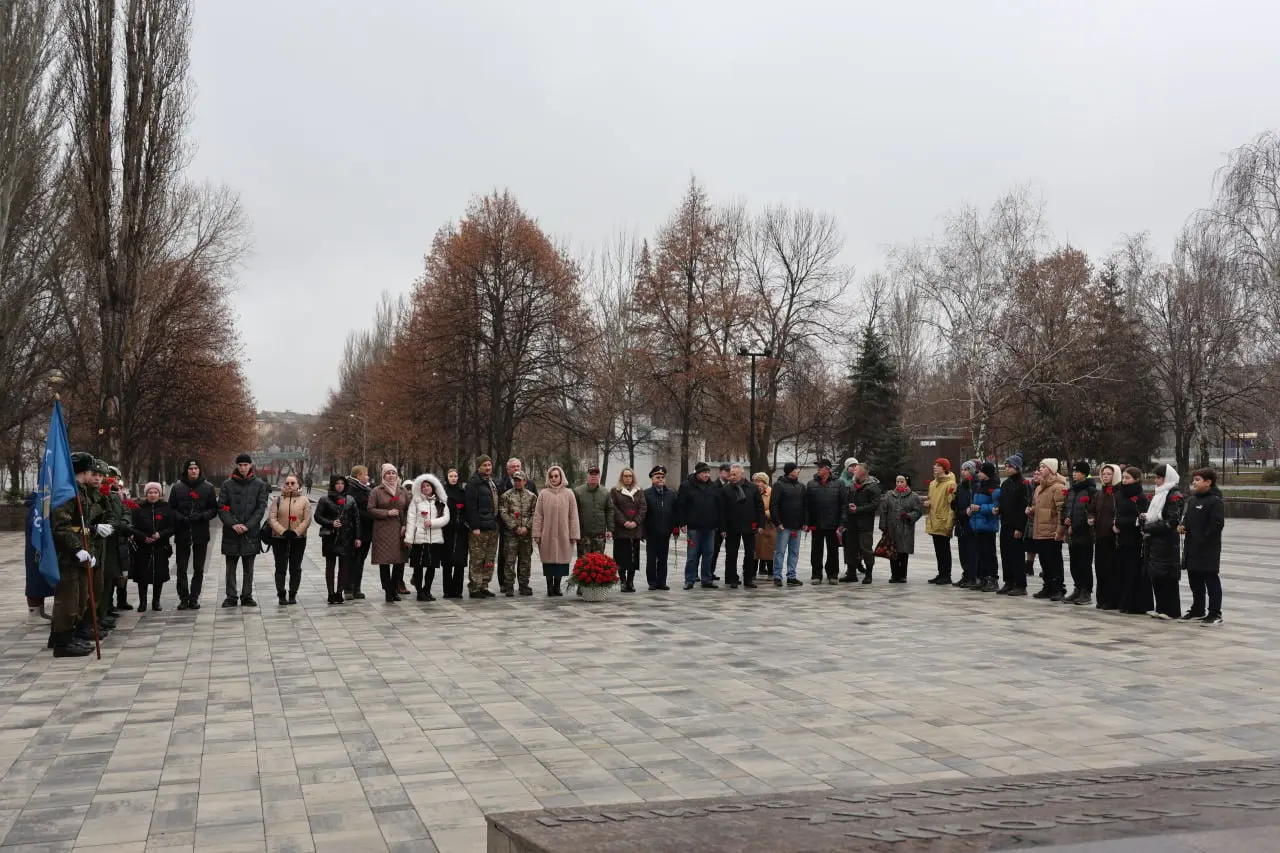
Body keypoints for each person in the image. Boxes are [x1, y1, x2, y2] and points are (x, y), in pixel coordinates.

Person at [48, 452, 103, 657]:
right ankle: (61, 642)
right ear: (86, 471)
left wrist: (88, 550)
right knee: (68, 599)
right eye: (92, 471)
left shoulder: (79, 490)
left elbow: (82, 526)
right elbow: (61, 526)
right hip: (68, 555)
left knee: (79, 597)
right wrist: (77, 549)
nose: (95, 475)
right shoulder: (68, 491)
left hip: (78, 553)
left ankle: (68, 636)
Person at [218, 454, 269, 608]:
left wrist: (248, 525)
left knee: (249, 567)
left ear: (250, 466)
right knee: (230, 567)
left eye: (245, 465)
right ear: (237, 466)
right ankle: (231, 597)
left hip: (250, 532)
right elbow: (222, 507)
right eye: (240, 465)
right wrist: (233, 524)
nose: (242, 468)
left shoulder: (259, 484)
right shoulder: (227, 484)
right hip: (231, 532)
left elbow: (261, 509)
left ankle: (247, 596)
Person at [168, 458, 217, 610]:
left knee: (199, 568)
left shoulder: (208, 487)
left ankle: (194, 597)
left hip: (200, 533)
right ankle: (183, 598)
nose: (193, 471)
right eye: (190, 468)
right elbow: (171, 508)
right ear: (186, 470)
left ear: (200, 470)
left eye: (196, 468)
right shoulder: (177, 487)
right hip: (182, 533)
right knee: (181, 568)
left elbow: (213, 509)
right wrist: (180, 518)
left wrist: (202, 516)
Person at [1180, 468, 1224, 625]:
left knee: (1211, 580)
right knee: (1194, 580)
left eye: (1197, 479)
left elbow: (1216, 525)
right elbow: (1187, 519)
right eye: (1194, 479)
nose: (1194, 482)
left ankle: (1215, 613)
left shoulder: (1215, 501)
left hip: (1207, 549)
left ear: (1208, 482)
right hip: (1191, 547)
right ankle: (1198, 609)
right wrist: (1183, 526)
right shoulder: (1193, 500)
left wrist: (1203, 539)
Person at [1142, 463, 1183, 620]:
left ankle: (1171, 609)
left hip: (1167, 543)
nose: (1156, 481)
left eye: (1159, 478)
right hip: (1155, 542)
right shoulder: (1160, 494)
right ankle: (1160, 607)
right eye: (1156, 478)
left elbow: (1171, 521)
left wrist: (1149, 527)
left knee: (1167, 577)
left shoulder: (1174, 496)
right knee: (1156, 575)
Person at [533, 465, 579, 596]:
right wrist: (537, 533)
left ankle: (557, 587)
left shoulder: (569, 493)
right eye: (551, 476)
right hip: (547, 534)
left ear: (561, 477)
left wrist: (574, 533)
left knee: (561, 563)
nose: (553, 478)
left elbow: (573, 515)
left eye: (556, 476)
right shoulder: (543, 494)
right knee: (548, 562)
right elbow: (538, 515)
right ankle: (549, 587)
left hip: (563, 534)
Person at [315, 474, 360, 605]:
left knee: (344, 566)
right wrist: (330, 523)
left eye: (342, 483)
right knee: (330, 566)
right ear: (333, 485)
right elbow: (317, 516)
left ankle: (340, 592)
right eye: (337, 483)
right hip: (330, 537)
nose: (340, 486)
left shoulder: (350, 500)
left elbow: (356, 519)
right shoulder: (325, 499)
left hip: (346, 537)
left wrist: (357, 537)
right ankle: (330, 592)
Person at [130, 483, 176, 612]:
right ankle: (142, 602)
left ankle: (156, 601)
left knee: (159, 575)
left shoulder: (166, 508)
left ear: (159, 494)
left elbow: (172, 527)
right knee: (142, 575)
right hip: (143, 547)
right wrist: (143, 537)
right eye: (150, 492)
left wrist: (160, 534)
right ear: (146, 494)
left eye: (155, 492)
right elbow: (133, 528)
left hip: (161, 547)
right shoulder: (138, 509)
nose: (153, 495)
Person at [717, 464, 764, 589]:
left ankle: (748, 578)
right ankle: (732, 578)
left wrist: (760, 524)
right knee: (731, 553)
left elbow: (759, 507)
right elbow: (722, 511)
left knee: (750, 553)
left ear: (742, 474)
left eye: (734, 474)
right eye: (730, 474)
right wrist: (722, 528)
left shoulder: (753, 488)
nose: (731, 477)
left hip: (750, 525)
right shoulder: (726, 490)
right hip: (732, 526)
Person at [268, 474, 312, 606]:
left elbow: (307, 519)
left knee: (295, 567)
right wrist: (283, 531)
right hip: (279, 538)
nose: (290, 486)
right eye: (287, 483)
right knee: (280, 567)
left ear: (298, 485)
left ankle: (293, 593)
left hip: (298, 538)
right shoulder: (277, 500)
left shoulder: (304, 500)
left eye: (293, 483)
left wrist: (296, 532)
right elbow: (272, 518)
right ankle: (281, 594)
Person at [677, 462, 722, 590]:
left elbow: (718, 507)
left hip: (710, 527)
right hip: (693, 527)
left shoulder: (712, 487)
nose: (707, 475)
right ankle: (689, 580)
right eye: (704, 473)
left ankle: (706, 579)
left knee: (709, 554)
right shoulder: (686, 487)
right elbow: (681, 506)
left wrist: (718, 523)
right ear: (697, 473)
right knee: (692, 555)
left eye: (708, 472)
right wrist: (682, 522)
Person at [406, 472, 450, 601]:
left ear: (433, 487)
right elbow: (411, 519)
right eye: (423, 486)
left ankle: (427, 590)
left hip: (435, 539)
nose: (426, 488)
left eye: (428, 486)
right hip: (419, 539)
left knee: (432, 566)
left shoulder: (440, 501)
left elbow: (446, 518)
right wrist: (409, 538)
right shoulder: (416, 501)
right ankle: (420, 591)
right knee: (418, 566)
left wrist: (432, 523)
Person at [1114, 466, 1151, 615]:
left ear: (1136, 479)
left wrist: (1119, 523)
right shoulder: (1120, 494)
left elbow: (1140, 517)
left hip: (1134, 539)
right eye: (1123, 477)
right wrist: (1114, 523)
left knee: (1133, 571)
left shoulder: (1140, 496)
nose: (1124, 480)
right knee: (1123, 571)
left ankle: (1136, 604)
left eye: (1128, 478)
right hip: (1121, 537)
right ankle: (1124, 601)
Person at [369, 464, 408, 603]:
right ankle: (388, 591)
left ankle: (394, 588)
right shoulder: (376, 491)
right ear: (383, 476)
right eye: (388, 473)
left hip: (399, 530)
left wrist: (404, 525)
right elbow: (371, 509)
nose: (391, 475)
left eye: (393, 473)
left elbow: (408, 509)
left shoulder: (403, 491)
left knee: (399, 561)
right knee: (384, 563)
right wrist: (387, 513)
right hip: (383, 531)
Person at [1029, 458, 1067, 601]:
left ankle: (1058, 588)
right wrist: (1031, 510)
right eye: (1040, 467)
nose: (1040, 470)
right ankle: (1048, 586)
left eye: (1043, 467)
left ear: (1051, 470)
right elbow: (1039, 506)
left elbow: (1060, 510)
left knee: (1054, 561)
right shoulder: (1039, 487)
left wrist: (1060, 530)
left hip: (1051, 531)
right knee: (1044, 561)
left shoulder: (1058, 487)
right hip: (1040, 530)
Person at [464, 456, 501, 597]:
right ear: (478, 467)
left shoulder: (492, 482)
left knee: (489, 558)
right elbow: (471, 507)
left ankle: (484, 584)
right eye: (485, 465)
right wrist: (475, 526)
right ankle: (474, 587)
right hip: (480, 528)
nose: (488, 468)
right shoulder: (474, 483)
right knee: (477, 558)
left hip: (492, 526)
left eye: (489, 465)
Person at [1062, 461, 1098, 605]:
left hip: (1085, 533)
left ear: (1084, 473)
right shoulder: (1072, 491)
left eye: (1077, 472)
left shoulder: (1090, 491)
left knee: (1084, 563)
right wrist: (1065, 520)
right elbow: (1066, 508)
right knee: (1074, 563)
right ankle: (1077, 588)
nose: (1074, 474)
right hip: (1072, 534)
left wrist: (1076, 527)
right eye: (1073, 472)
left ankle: (1086, 591)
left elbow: (1090, 514)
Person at [805, 459, 846, 584]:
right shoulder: (811, 484)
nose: (818, 469)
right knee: (816, 551)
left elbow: (844, 504)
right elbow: (807, 506)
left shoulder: (839, 484)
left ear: (828, 469)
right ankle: (816, 575)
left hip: (833, 523)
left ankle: (832, 574)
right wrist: (807, 522)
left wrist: (842, 522)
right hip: (816, 523)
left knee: (833, 550)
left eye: (821, 467)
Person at [879, 475, 924, 582]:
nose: (899, 484)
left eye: (901, 481)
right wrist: (883, 526)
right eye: (897, 481)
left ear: (906, 483)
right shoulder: (889, 495)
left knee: (903, 552)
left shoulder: (913, 496)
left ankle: (903, 575)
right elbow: (883, 511)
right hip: (892, 528)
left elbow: (918, 511)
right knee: (892, 552)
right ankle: (894, 575)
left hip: (906, 529)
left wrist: (909, 516)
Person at [996, 454, 1030, 596]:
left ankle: (1020, 584)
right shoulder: (1006, 484)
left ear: (1017, 467)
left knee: (1017, 555)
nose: (1007, 469)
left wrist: (1020, 527)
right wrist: (998, 509)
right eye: (1006, 466)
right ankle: (1008, 581)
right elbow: (1003, 502)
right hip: (1005, 523)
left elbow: (1024, 507)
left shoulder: (1023, 484)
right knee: (1006, 554)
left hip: (1016, 525)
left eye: (1010, 466)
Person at [842, 462, 881, 584]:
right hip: (851, 523)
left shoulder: (872, 487)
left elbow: (874, 505)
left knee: (866, 549)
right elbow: (846, 501)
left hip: (865, 524)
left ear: (863, 472)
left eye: (856, 469)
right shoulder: (853, 486)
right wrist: (848, 509)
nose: (854, 471)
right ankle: (851, 573)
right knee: (850, 549)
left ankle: (868, 574)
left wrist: (858, 509)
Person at [497, 471, 535, 596]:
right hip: (511, 534)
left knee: (525, 561)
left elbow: (535, 514)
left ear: (525, 481)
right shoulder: (506, 496)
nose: (517, 482)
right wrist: (514, 527)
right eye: (515, 480)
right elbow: (503, 513)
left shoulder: (532, 497)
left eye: (520, 480)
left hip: (526, 535)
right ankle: (509, 586)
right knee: (509, 560)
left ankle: (524, 585)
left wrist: (527, 527)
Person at [610, 468, 647, 592]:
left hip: (634, 529)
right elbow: (613, 508)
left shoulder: (639, 491)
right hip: (621, 530)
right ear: (621, 477)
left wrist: (635, 521)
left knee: (633, 558)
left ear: (633, 477)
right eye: (625, 476)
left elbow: (643, 508)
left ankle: (630, 581)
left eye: (630, 476)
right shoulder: (615, 491)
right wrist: (624, 521)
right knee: (621, 557)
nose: (627, 478)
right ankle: (623, 581)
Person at [1092, 463, 1123, 610]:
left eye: (1109, 474)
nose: (1105, 476)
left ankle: (1112, 600)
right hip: (1100, 536)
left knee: (1113, 570)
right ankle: (1101, 598)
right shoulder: (1099, 494)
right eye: (1103, 474)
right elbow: (1091, 509)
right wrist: (1091, 518)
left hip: (1113, 538)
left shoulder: (1119, 494)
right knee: (1101, 569)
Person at [967, 463, 1002, 592]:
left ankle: (992, 578)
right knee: (980, 553)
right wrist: (970, 509)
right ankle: (982, 578)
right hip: (978, 525)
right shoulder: (980, 487)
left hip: (988, 525)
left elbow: (995, 507)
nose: (979, 474)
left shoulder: (995, 489)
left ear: (987, 473)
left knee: (989, 553)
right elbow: (975, 503)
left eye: (981, 472)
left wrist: (980, 508)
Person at [642, 466, 678, 591]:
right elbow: (643, 514)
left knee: (663, 558)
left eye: (662, 477)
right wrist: (643, 531)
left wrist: (675, 527)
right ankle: (652, 582)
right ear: (652, 479)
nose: (660, 479)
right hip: (652, 531)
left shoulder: (671, 494)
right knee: (651, 558)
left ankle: (662, 581)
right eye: (657, 477)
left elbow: (675, 512)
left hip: (665, 531)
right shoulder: (646, 494)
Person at [770, 463, 806, 587]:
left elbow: (805, 506)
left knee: (794, 552)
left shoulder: (801, 486)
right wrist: (777, 522)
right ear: (790, 471)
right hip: (784, 526)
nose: (798, 471)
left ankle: (791, 576)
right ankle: (777, 576)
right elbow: (773, 505)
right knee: (780, 551)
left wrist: (805, 522)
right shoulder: (779, 485)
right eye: (796, 469)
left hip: (797, 525)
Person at [923, 458, 957, 585]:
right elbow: (932, 499)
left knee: (944, 550)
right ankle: (941, 573)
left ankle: (946, 575)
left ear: (944, 469)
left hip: (943, 521)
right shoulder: (933, 484)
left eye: (938, 466)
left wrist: (949, 525)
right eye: (935, 465)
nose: (935, 467)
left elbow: (951, 506)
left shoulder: (950, 484)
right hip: (934, 520)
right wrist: (928, 503)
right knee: (938, 550)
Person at [343, 465, 375, 600]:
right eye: (365, 474)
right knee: (352, 559)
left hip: (367, 530)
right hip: (355, 531)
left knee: (360, 560)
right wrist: (372, 515)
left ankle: (357, 588)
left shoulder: (367, 489)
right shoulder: (351, 489)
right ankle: (348, 588)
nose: (367, 477)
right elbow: (353, 510)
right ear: (357, 476)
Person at [950, 460, 978, 588]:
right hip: (961, 521)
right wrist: (953, 503)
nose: (963, 472)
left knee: (972, 551)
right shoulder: (960, 486)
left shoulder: (976, 485)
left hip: (971, 522)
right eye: (962, 470)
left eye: (966, 470)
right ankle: (966, 574)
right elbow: (956, 502)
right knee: (963, 552)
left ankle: (972, 576)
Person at [574, 465, 612, 557]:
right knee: (583, 564)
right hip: (583, 535)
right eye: (591, 474)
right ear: (587, 476)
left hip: (599, 535)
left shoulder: (605, 493)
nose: (593, 476)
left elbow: (609, 511)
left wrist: (610, 529)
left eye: (596, 474)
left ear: (599, 476)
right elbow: (574, 512)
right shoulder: (578, 492)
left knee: (598, 563)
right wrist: (574, 531)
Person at [442, 468, 469, 598]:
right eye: (451, 476)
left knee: (459, 561)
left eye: (455, 476)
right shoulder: (442, 492)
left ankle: (457, 590)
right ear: (447, 477)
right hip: (447, 529)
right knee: (447, 561)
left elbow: (467, 509)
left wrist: (461, 521)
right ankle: (447, 590)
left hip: (460, 530)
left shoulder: (462, 492)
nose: (453, 478)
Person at [752, 472, 776, 581]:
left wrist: (765, 513)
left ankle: (771, 571)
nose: (757, 484)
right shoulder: (753, 491)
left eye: (759, 481)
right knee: (755, 549)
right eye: (755, 481)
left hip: (769, 525)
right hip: (756, 525)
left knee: (769, 549)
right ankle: (752, 572)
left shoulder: (772, 493)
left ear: (765, 482)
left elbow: (775, 507)